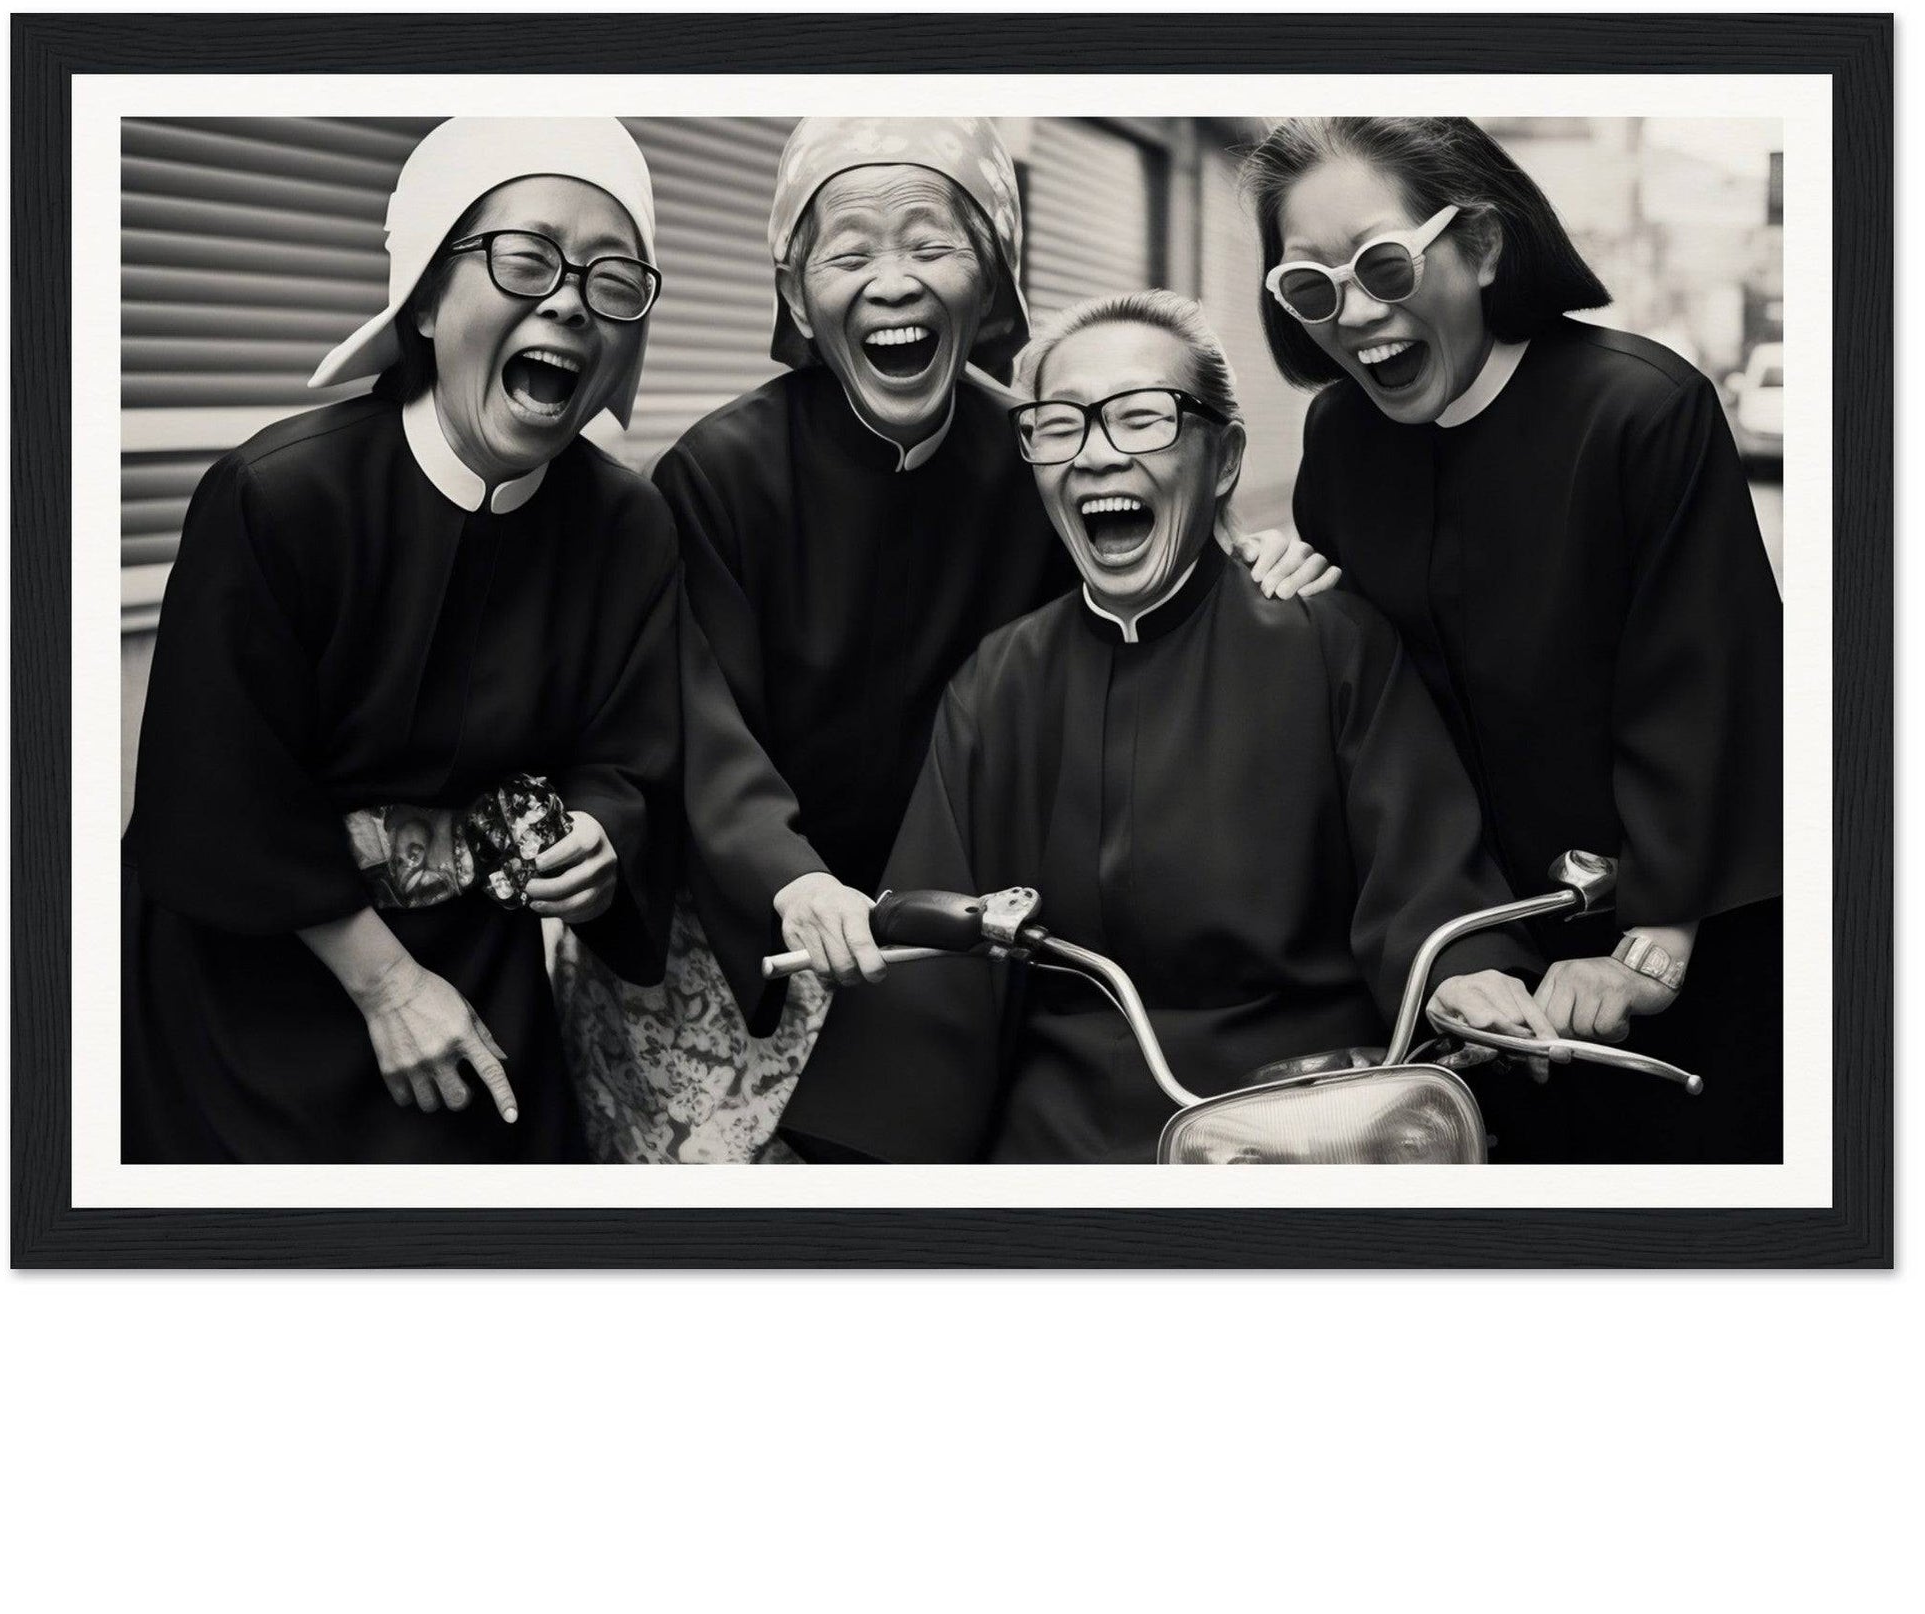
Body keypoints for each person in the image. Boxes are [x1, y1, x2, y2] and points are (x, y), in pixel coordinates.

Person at [780, 292, 1547, 1163]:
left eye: (1142, 419)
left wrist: (1463, 972)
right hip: (1061, 1135)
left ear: (1223, 460)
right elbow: (938, 958)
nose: (1098, 456)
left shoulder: (1331, 644)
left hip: (1300, 1118)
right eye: (1059, 426)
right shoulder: (999, 683)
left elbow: (1426, 879)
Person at [651, 119, 1326, 1060]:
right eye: (847, 254)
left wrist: (1253, 564)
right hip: (770, 922)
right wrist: (788, 877)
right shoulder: (718, 473)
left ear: (997, 277)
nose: (893, 281)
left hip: (980, 918)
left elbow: (1148, 587)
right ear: (799, 300)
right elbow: (698, 718)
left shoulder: (1043, 448)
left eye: (933, 245)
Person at [123, 117, 682, 1162]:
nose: (568, 298)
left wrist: (603, 835)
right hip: (253, 989)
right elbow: (216, 785)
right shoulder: (275, 496)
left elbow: (631, 749)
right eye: (526, 258)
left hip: (477, 972)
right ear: (426, 298)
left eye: (614, 280)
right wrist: (384, 982)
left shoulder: (627, 527)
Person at [1245, 116, 1784, 1161]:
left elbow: (1708, 685)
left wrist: (1655, 940)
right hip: (1460, 957)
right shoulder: (1338, 436)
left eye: (1381, 264)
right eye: (1308, 287)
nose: (1352, 315)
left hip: (1678, 942)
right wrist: (1314, 583)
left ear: (1482, 246)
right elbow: (1373, 692)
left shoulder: (1638, 408)